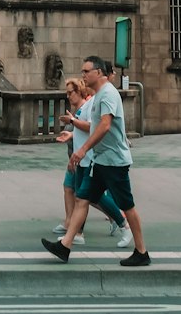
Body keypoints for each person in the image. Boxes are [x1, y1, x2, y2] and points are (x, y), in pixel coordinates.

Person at [42, 54, 150, 267]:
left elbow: (104, 125)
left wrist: (82, 149)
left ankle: (141, 251)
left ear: (98, 73)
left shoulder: (108, 94)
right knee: (82, 199)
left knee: (127, 206)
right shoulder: (100, 94)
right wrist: (75, 137)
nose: (83, 74)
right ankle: (65, 246)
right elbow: (94, 126)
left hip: (114, 161)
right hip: (101, 160)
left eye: (86, 71)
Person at [54, 76, 130, 248]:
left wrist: (73, 123)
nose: (85, 78)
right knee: (82, 197)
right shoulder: (89, 105)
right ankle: (75, 235)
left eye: (87, 73)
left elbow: (94, 128)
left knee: (95, 197)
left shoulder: (96, 102)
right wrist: (72, 135)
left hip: (91, 158)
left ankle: (122, 223)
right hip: (82, 158)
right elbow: (86, 130)